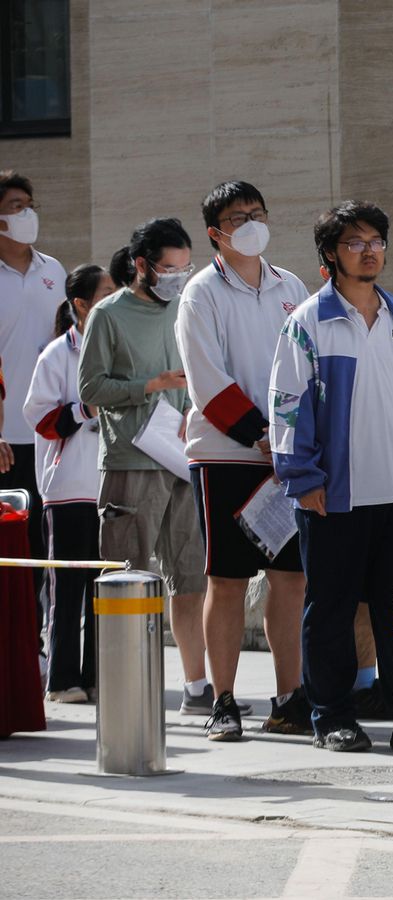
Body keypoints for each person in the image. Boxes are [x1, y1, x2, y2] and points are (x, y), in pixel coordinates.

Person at [270, 200, 393, 752]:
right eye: (354, 242)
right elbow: (287, 405)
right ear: (330, 255)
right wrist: (303, 477)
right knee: (331, 610)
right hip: (333, 496)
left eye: (376, 241)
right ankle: (331, 717)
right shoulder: (307, 323)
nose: (369, 251)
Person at [177, 181, 313, 741]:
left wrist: (296, 438)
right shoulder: (200, 293)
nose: (252, 223)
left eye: (258, 212)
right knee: (228, 580)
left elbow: (307, 366)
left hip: (285, 460)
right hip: (226, 455)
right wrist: (261, 433)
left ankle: (289, 698)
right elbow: (206, 379)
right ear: (216, 232)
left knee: (291, 579)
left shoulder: (292, 286)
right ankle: (225, 700)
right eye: (239, 217)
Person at [79, 218, 210, 714]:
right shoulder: (108, 315)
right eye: (168, 268)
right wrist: (148, 386)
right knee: (128, 579)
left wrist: (193, 408)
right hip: (132, 460)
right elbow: (90, 390)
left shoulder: (188, 308)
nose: (178, 277)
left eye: (184, 267)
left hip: (185, 458)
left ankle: (196, 687)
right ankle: (127, 691)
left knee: (191, 579)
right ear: (141, 266)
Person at [25, 264, 113, 704]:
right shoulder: (57, 355)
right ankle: (61, 681)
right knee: (67, 587)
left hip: (112, 487)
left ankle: (98, 675)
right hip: (67, 490)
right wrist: (85, 410)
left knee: (105, 586)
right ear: (81, 304)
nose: (115, 299)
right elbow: (40, 419)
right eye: (106, 292)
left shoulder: (119, 350)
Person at [0, 171, 67, 570]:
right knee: (11, 547)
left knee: (48, 545)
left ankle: (44, 630)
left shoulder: (54, 271)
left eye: (30, 205)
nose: (27, 214)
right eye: (15, 206)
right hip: (6, 439)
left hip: (51, 432)